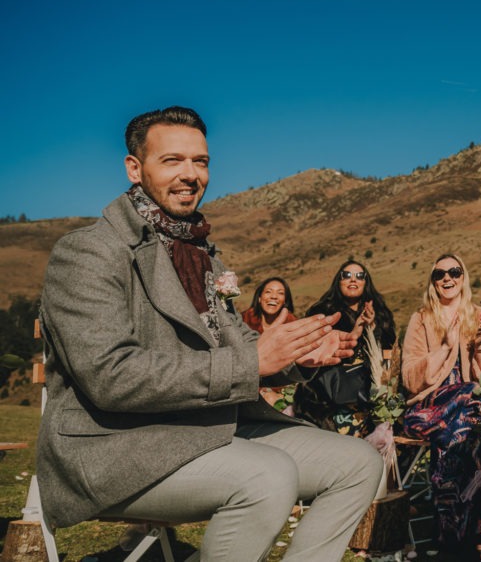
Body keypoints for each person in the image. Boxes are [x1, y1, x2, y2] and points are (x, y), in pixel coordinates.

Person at [36, 107, 382, 561]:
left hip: (207, 428)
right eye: (172, 160)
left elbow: (237, 341)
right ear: (134, 169)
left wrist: (298, 355)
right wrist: (253, 362)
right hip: (115, 448)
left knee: (359, 462)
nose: (191, 174)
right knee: (268, 474)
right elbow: (111, 376)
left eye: (200, 161)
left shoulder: (201, 253)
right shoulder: (88, 251)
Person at [401, 253, 481, 554]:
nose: (447, 278)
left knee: (466, 428)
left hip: (464, 414)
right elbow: (410, 378)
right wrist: (445, 346)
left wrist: (480, 345)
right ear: (433, 281)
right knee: (472, 403)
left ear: (463, 277)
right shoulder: (421, 318)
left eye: (454, 272)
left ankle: (451, 533)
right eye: (439, 274)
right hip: (428, 410)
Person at [294, 261, 397, 436]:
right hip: (325, 396)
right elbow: (311, 351)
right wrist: (354, 332)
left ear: (366, 282)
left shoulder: (380, 313)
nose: (353, 280)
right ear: (339, 281)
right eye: (347, 275)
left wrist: (372, 328)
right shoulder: (323, 312)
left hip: (368, 394)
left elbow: (389, 352)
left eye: (359, 276)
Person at [241, 276, 300, 411]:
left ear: (285, 301)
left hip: (282, 392)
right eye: (268, 292)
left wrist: (279, 394)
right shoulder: (242, 322)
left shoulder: (293, 326)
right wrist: (262, 391)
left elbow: (293, 371)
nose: (274, 296)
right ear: (259, 298)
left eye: (280, 293)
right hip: (246, 389)